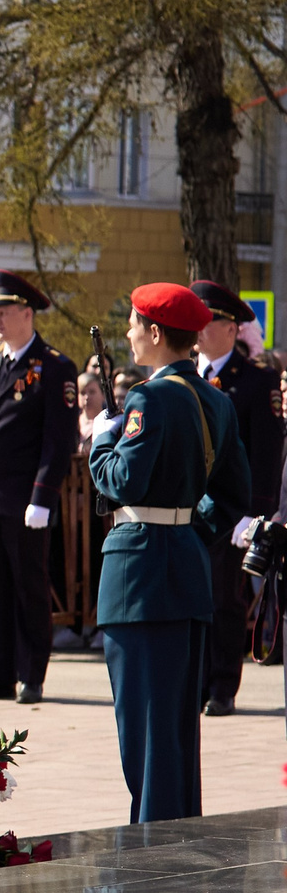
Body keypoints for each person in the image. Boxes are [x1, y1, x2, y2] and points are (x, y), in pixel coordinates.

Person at [89, 283, 252, 821]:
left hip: (139, 575)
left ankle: (151, 849)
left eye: (135, 326)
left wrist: (99, 441)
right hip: (184, 568)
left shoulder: (149, 397)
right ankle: (177, 837)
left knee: (145, 731)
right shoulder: (215, 400)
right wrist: (185, 529)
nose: (130, 336)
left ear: (156, 333)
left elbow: (125, 481)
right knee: (177, 729)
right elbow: (234, 495)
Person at [0, 271, 79, 704]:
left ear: (27, 313)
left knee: (28, 585)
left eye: (5, 312)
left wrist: (43, 495)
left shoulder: (54, 366)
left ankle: (31, 675)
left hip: (24, 499)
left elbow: (58, 439)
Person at [190, 280, 283, 717]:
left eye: (209, 321)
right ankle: (195, 681)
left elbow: (266, 455)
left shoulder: (256, 380)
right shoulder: (184, 376)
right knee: (190, 598)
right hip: (188, 508)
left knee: (223, 599)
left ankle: (222, 685)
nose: (200, 329)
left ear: (232, 328)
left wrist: (255, 515)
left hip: (231, 512)